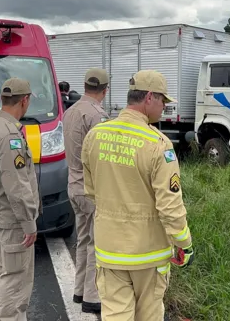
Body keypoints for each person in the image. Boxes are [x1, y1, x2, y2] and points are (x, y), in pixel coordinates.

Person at [81, 70, 194, 320]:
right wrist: (184, 244)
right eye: (163, 101)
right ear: (149, 97)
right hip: (149, 256)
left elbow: (90, 190)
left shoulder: (95, 136)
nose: (164, 107)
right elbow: (170, 206)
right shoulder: (159, 144)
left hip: (109, 251)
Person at [0, 77, 41, 321]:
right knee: (15, 285)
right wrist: (29, 222)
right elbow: (16, 186)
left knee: (2, 276)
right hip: (14, 219)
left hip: (1, 215)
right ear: (24, 100)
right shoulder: (9, 136)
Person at [61, 68, 110, 314]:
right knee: (95, 242)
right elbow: (102, 157)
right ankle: (92, 297)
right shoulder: (98, 116)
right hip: (91, 189)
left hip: (73, 184)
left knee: (82, 239)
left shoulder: (70, 111)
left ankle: (79, 290)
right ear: (105, 90)